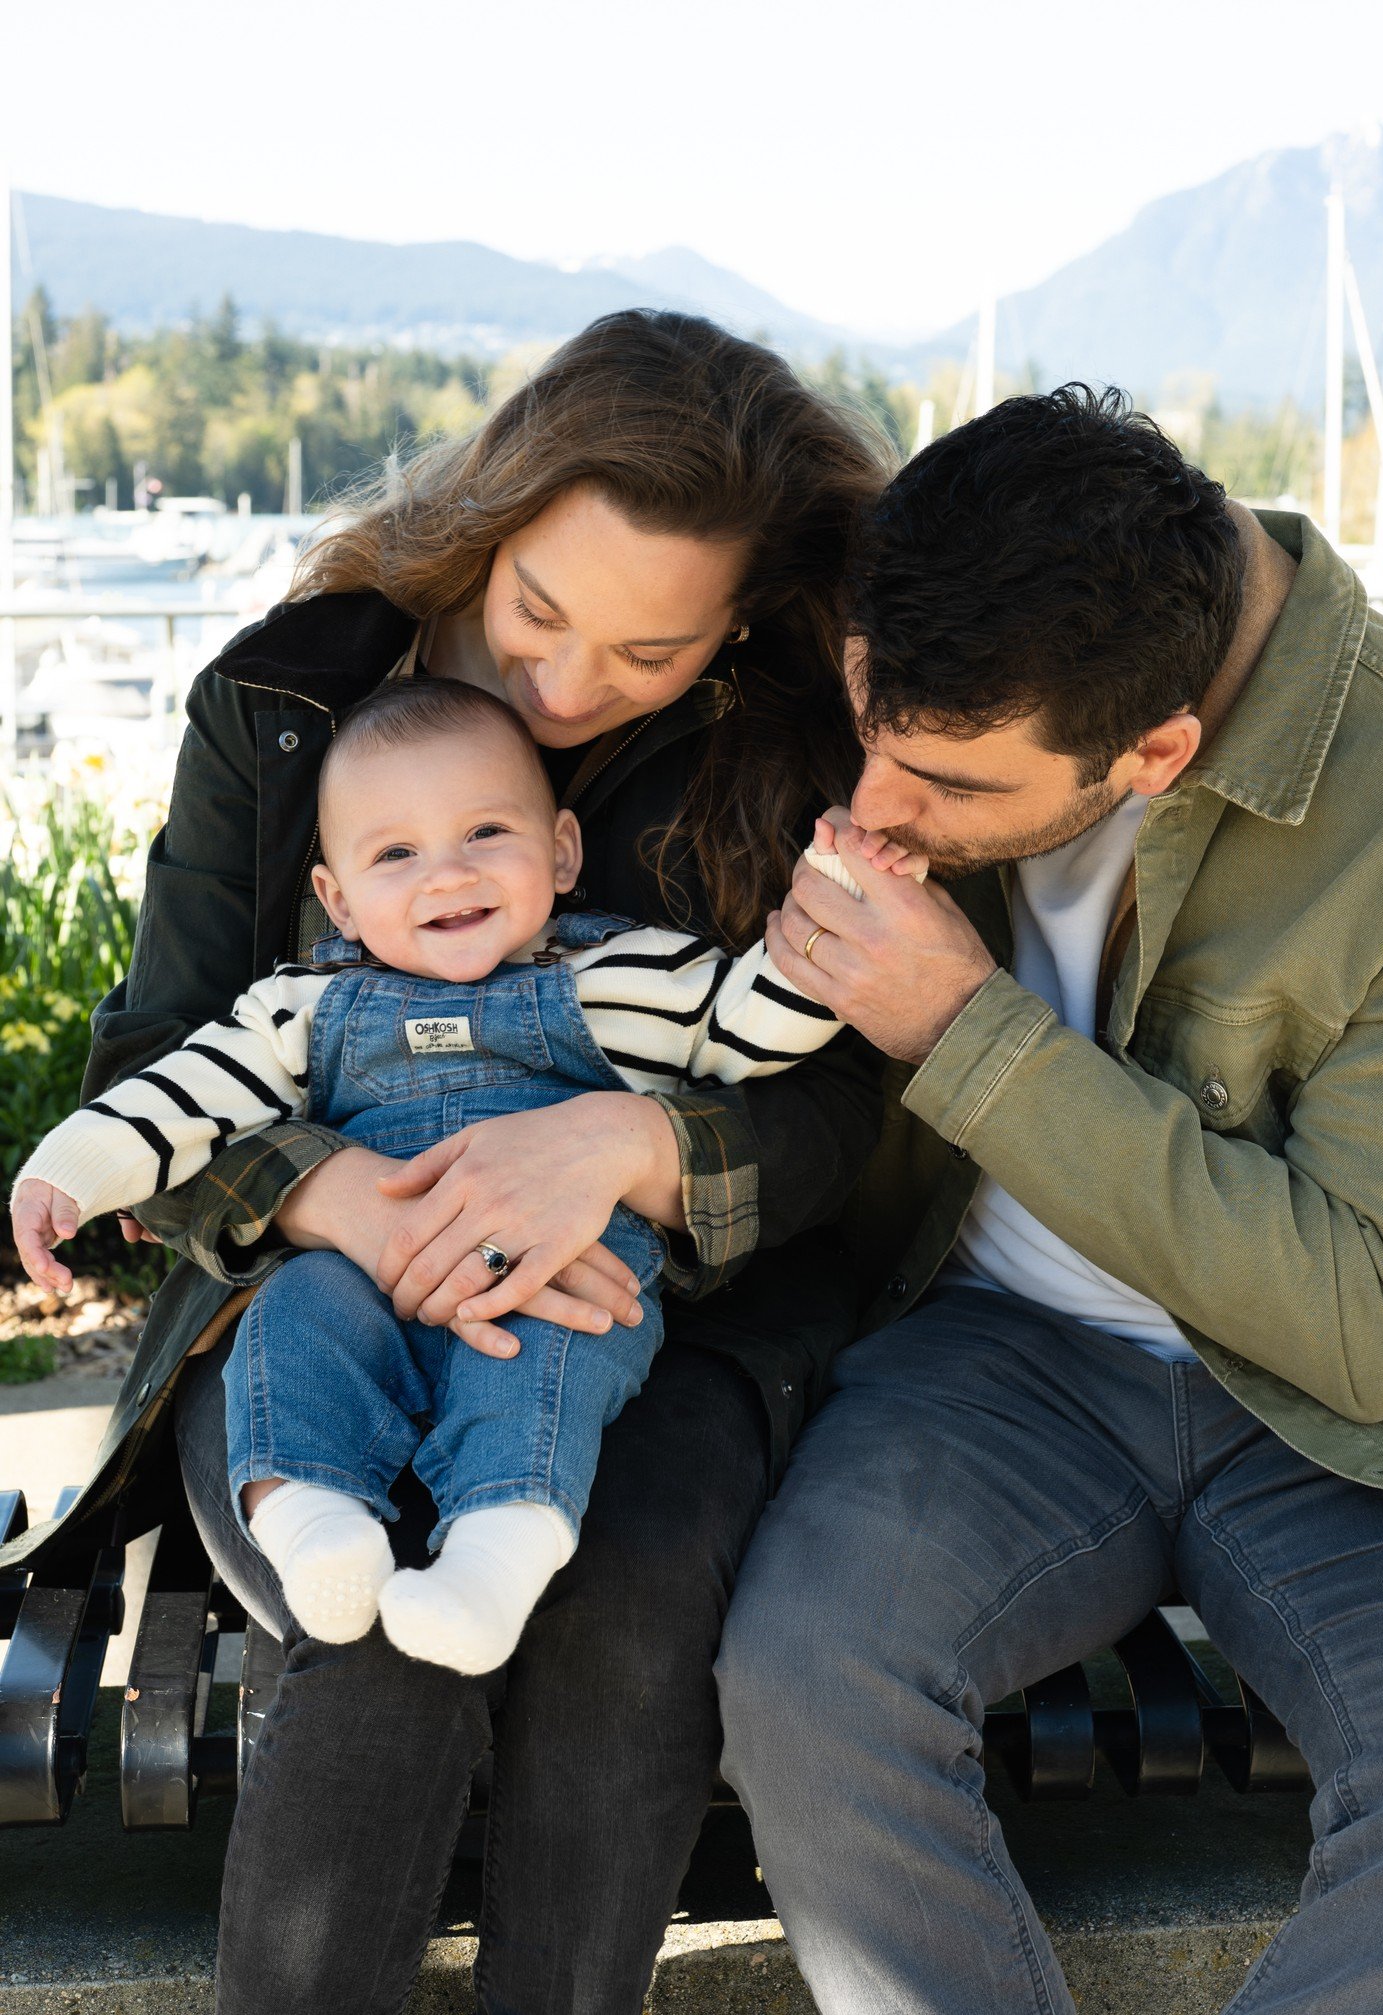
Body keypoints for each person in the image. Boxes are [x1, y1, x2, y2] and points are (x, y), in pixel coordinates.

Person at [0, 309, 892, 2014]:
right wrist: (324, 1195)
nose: (561, 690)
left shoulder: (775, 743)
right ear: (484, 523)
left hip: (661, 1307)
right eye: (533, 616)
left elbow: (843, 1100)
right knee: (369, 1624)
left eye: (642, 656)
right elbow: (158, 1068)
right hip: (306, 1298)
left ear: (729, 635)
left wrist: (631, 1147)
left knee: (626, 1599)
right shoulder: (281, 701)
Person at [718, 384, 1383, 2013]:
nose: (875, 813)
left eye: (948, 789)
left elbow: (1367, 1321)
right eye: (867, 742)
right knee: (805, 1679)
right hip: (993, 1357)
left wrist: (961, 1034)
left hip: (1338, 1433)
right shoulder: (972, 588)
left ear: (1155, 752)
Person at [13, 677, 910, 1674]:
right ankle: (312, 1522)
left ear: (560, 850)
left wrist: (842, 894)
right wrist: (71, 1171)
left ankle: (496, 1555)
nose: (446, 875)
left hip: (551, 1263)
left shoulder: (624, 974)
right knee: (290, 1318)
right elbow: (185, 1093)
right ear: (337, 899)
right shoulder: (301, 1005)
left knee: (554, 1347)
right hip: (363, 1264)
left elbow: (751, 1027)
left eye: (486, 832)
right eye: (395, 852)